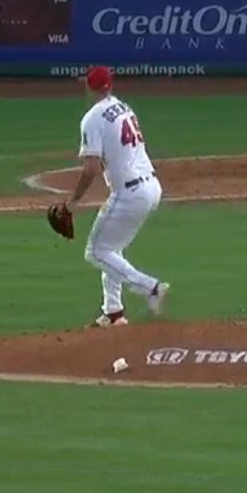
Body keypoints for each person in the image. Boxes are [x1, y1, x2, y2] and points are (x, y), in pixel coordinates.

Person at [58, 65, 169, 328]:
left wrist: (71, 203)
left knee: (96, 251)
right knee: (112, 250)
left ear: (89, 86)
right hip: (151, 187)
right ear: (110, 85)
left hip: (129, 193)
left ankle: (150, 286)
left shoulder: (92, 119)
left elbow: (91, 168)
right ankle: (113, 312)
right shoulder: (124, 108)